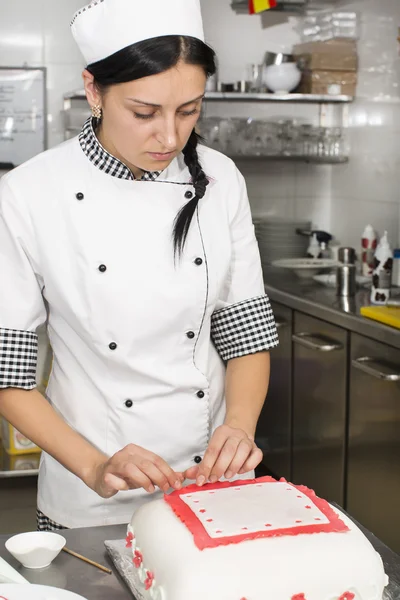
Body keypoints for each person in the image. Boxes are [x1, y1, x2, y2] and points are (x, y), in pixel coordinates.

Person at [0, 0, 278, 531]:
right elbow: (8, 376)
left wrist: (239, 429)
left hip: (210, 484)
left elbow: (246, 334)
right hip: (91, 488)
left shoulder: (221, 179)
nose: (170, 138)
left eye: (190, 110)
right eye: (144, 113)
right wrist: (95, 465)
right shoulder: (29, 194)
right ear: (94, 91)